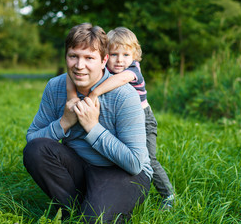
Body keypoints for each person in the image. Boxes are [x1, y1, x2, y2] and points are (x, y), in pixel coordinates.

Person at [23, 23, 153, 224]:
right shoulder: (55, 87)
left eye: (89, 58)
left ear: (104, 60)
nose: (79, 65)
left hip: (122, 171)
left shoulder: (124, 95)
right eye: (73, 56)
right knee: (36, 149)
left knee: (93, 221)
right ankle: (69, 210)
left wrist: (93, 128)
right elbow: (32, 139)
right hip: (79, 165)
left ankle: (91, 210)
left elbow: (135, 163)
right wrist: (65, 122)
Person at [67, 27, 175, 209]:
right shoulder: (102, 69)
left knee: (148, 157)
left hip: (143, 119)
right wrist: (72, 97)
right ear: (105, 56)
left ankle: (168, 194)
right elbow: (70, 77)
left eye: (126, 54)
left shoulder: (132, 70)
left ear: (135, 55)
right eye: (114, 54)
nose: (120, 60)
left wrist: (94, 94)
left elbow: (121, 80)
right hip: (120, 119)